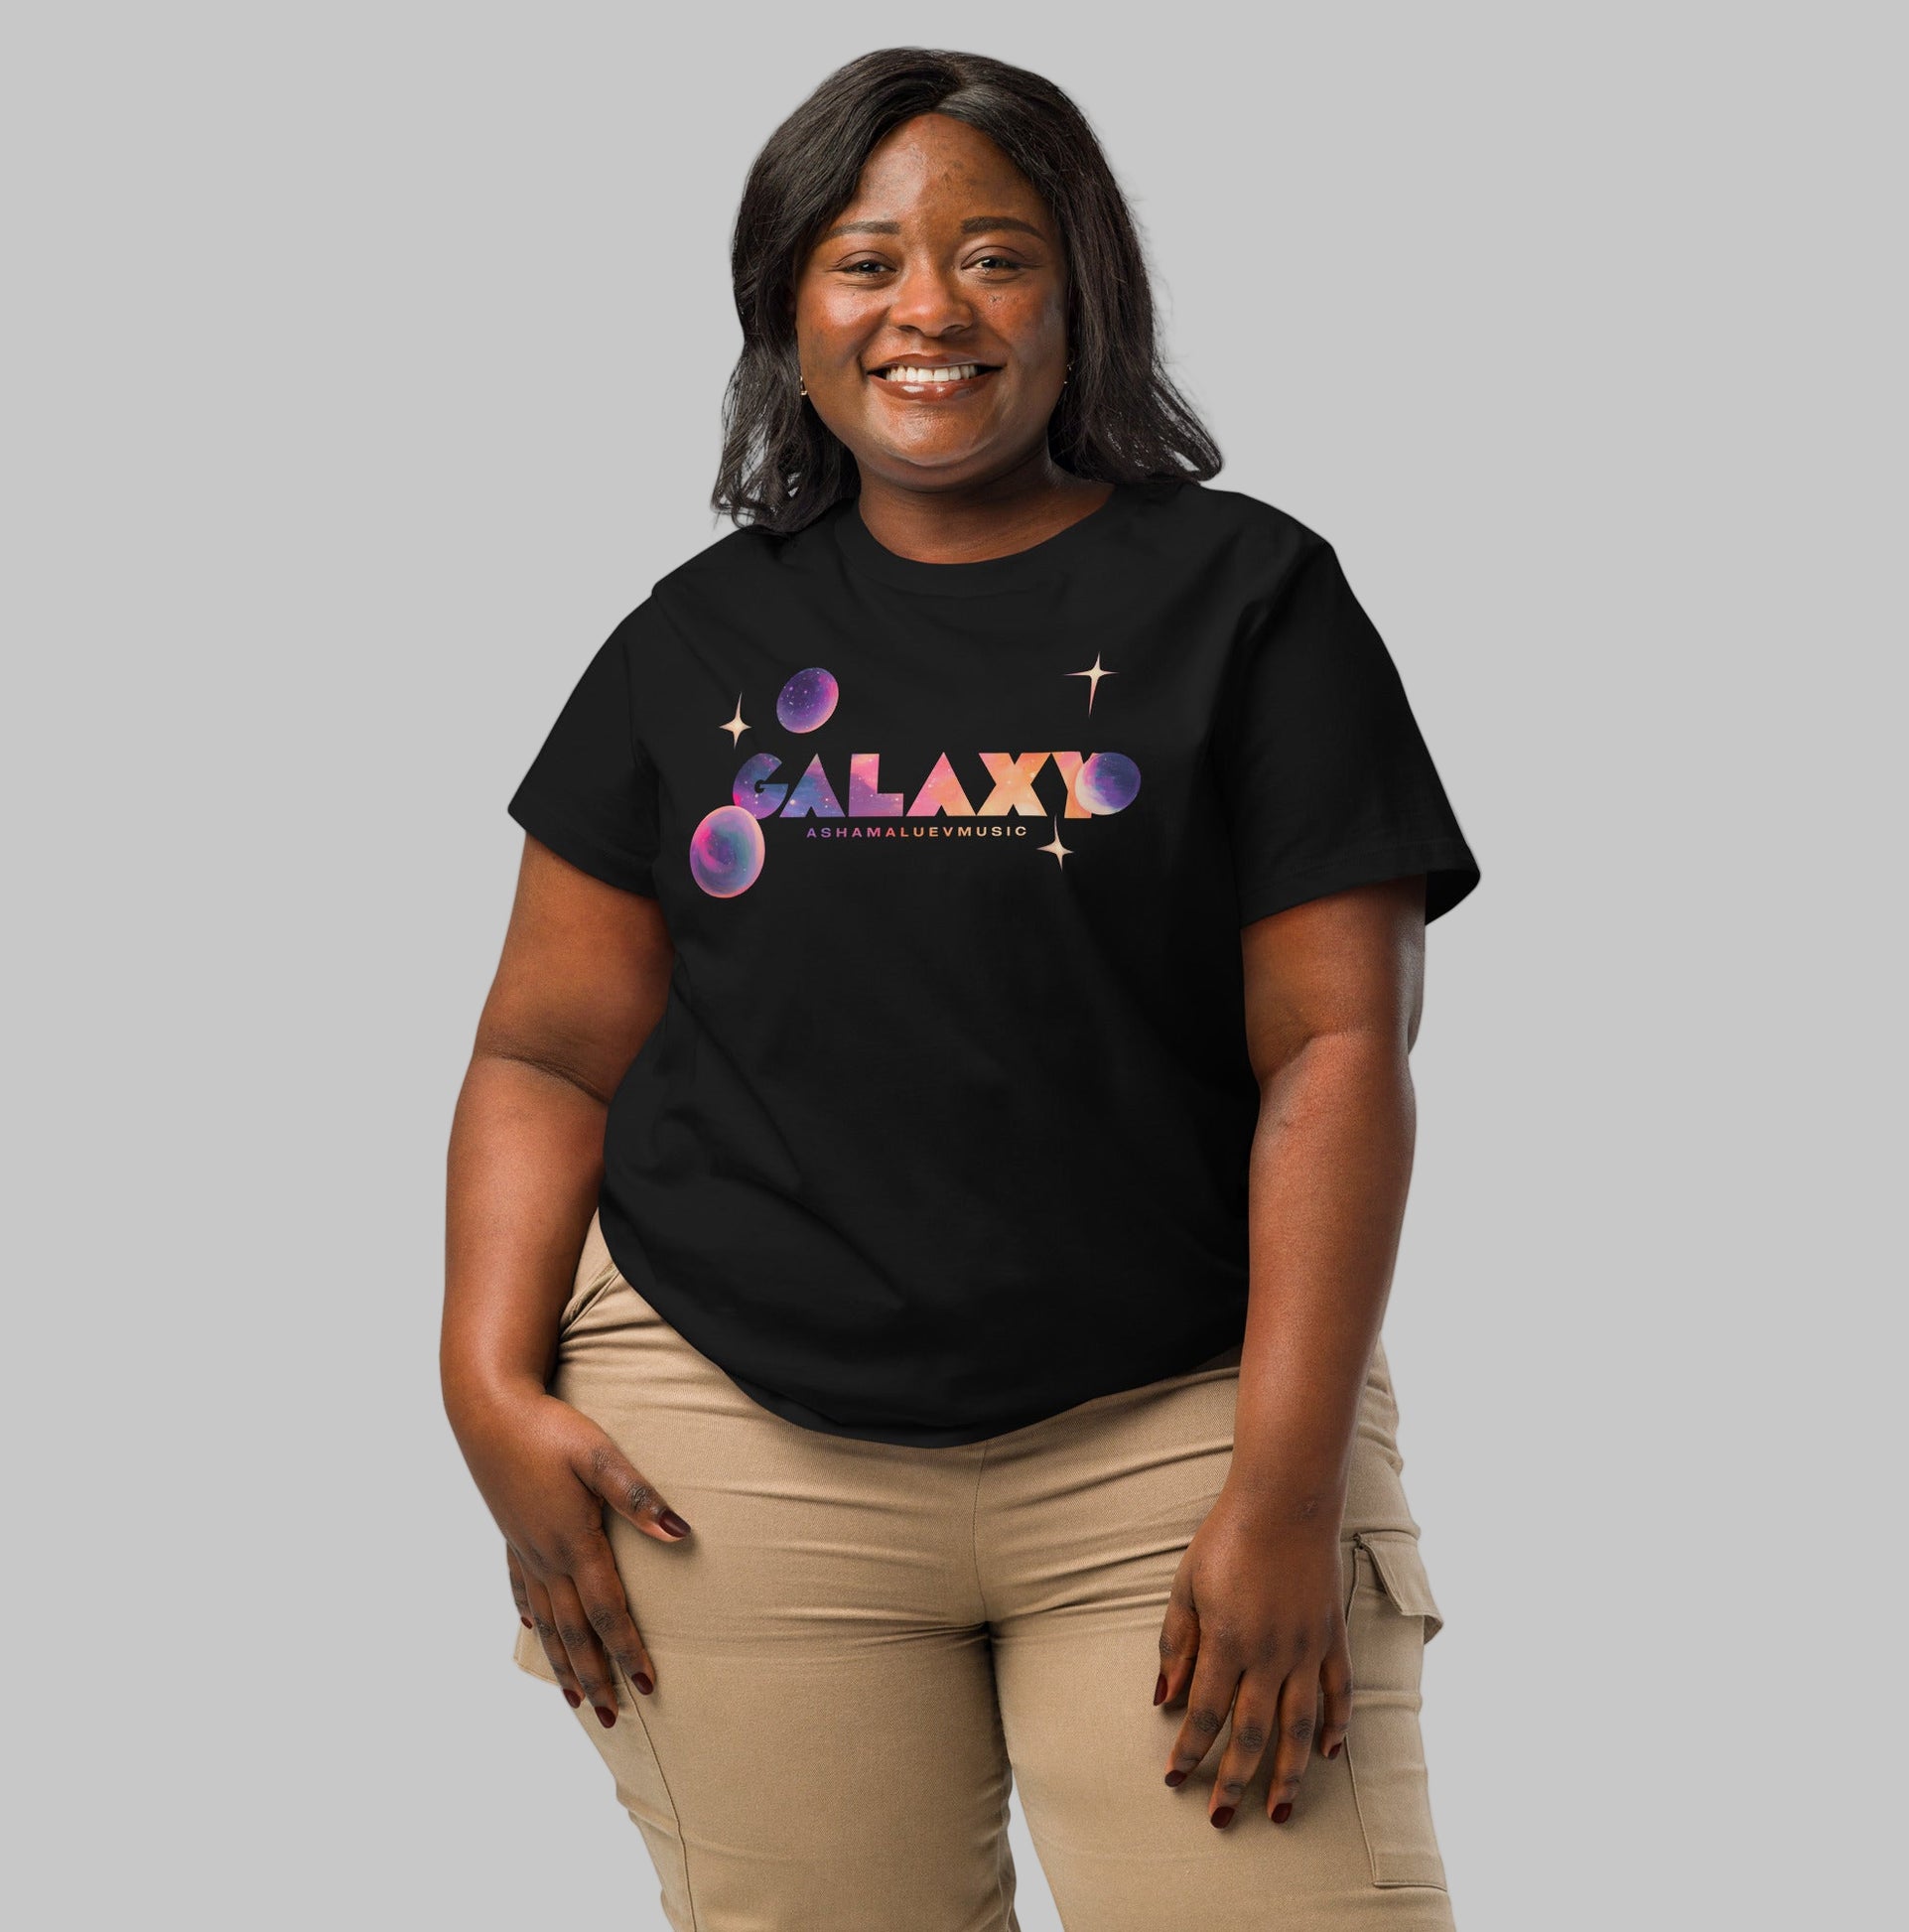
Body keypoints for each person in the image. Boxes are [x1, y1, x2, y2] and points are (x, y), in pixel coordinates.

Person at [442, 45, 1480, 1932]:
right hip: (732, 1452)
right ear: (786, 307)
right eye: (863, 259)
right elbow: (543, 1047)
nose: (929, 309)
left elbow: (1337, 1045)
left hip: (1178, 1423)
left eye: (994, 256)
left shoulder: (1249, 603)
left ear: (1081, 292)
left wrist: (1282, 1485)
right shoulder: (697, 641)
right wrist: (480, 1376)